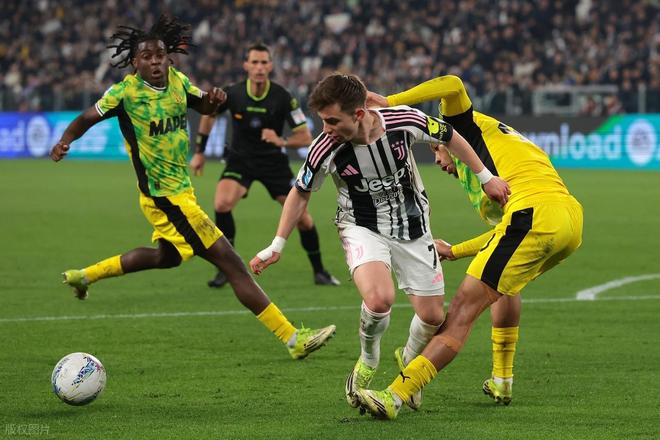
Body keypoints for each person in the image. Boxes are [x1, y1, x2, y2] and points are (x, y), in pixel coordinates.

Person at [49, 15, 335, 361]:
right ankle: (292, 338)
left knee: (166, 257)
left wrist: (214, 98)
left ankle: (84, 276)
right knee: (232, 264)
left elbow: (205, 105)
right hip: (166, 198)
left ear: (169, 58)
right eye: (147, 57)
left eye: (160, 55)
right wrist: (65, 140)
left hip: (179, 193)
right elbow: (86, 118)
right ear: (135, 62)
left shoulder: (178, 81)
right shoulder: (125, 93)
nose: (156, 62)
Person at [248, 73, 510, 410]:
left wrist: (485, 177)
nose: (326, 129)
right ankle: (368, 360)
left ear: (359, 114)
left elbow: (450, 135)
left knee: (432, 316)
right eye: (323, 121)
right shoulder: (325, 147)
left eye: (332, 121)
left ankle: (409, 362)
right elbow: (300, 192)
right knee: (379, 298)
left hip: (413, 225)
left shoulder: (404, 120)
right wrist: (277, 244)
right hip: (361, 226)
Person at [356, 75, 584, 419]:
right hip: (567, 220)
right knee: (503, 288)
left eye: (436, 149)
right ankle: (502, 379)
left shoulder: (464, 127)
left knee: (462, 310)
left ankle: (396, 395)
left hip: (535, 215)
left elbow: (452, 83)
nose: (438, 160)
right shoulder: (499, 159)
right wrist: (456, 250)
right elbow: (504, 233)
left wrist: (390, 102)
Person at [191, 42, 340, 288]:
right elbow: (209, 115)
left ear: (270, 66)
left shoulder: (283, 97)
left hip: (273, 164)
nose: (259, 67)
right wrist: (199, 152)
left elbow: (305, 136)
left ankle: (320, 271)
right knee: (222, 203)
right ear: (246, 65)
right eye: (255, 62)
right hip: (240, 160)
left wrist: (281, 141)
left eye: (263, 63)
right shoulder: (233, 93)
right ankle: (226, 269)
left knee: (303, 219)